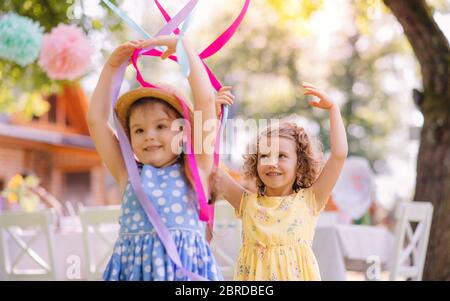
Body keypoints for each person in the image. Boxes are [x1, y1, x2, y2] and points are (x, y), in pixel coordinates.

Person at [87, 36, 223, 280]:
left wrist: (184, 48)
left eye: (161, 126)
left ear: (183, 131)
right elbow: (97, 121)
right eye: (139, 130)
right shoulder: (128, 173)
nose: (149, 136)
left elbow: (206, 100)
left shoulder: (197, 167)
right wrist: (110, 69)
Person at [210, 82, 348, 280]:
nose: (271, 163)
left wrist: (334, 109)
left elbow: (339, 155)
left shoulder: (310, 200)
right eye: (264, 156)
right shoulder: (246, 201)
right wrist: (213, 118)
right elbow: (208, 165)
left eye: (281, 156)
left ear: (299, 164)